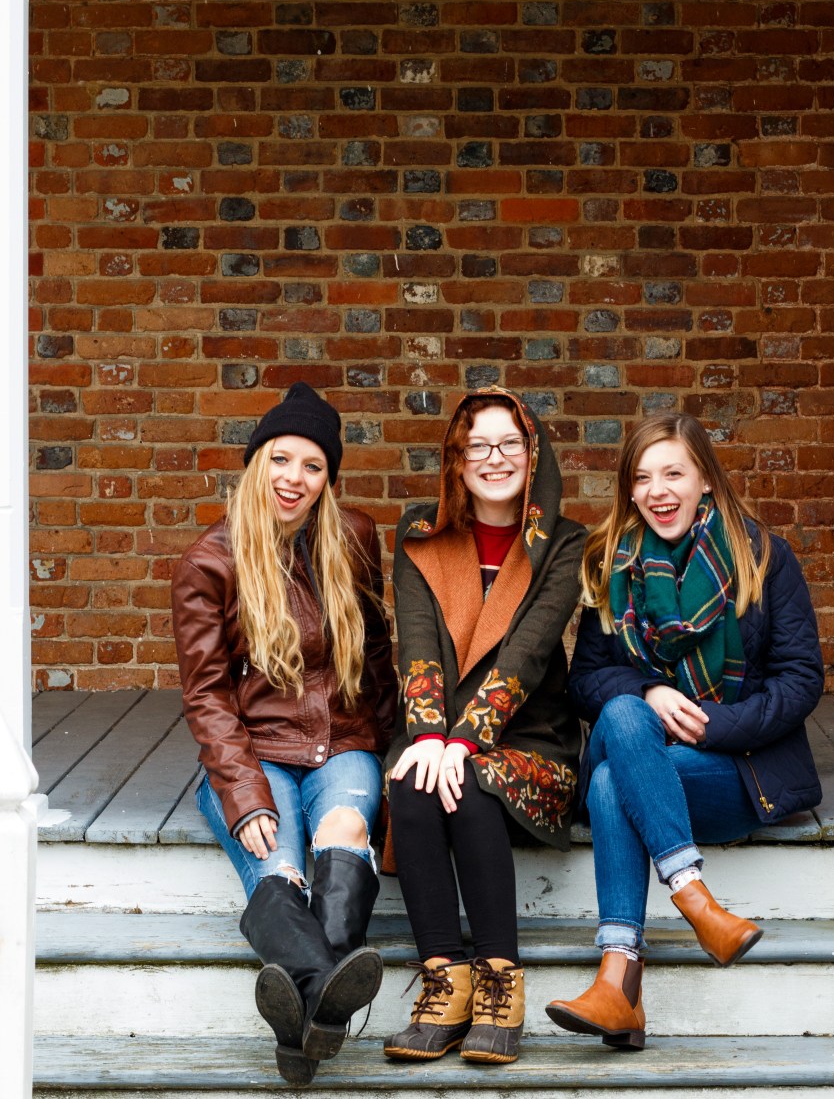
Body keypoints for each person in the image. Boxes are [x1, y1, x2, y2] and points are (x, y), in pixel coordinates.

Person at [545, 411, 824, 1050]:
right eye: (642, 478)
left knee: (611, 782)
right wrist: (651, 690)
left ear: (705, 479)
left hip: (732, 764)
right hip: (645, 744)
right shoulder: (610, 562)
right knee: (624, 714)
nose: (658, 491)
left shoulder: (763, 557)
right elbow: (586, 680)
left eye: (673, 473)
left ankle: (618, 981)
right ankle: (694, 897)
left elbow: (800, 679)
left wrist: (709, 726)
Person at [171, 382, 398, 1085]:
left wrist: (394, 752)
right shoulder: (209, 562)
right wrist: (244, 796)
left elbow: (379, 655)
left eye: (312, 465)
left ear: (328, 477)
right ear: (255, 462)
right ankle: (322, 1003)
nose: (293, 478)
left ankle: (298, 1019)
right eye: (280, 459)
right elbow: (207, 695)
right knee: (278, 865)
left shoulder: (353, 538)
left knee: (344, 831)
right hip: (255, 752)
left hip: (344, 744)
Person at [382, 388, 586, 1066]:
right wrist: (429, 735)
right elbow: (416, 643)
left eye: (509, 444)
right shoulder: (420, 532)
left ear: (533, 453)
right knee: (411, 782)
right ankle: (444, 983)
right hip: (436, 722)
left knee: (465, 782)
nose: (494, 458)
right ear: (456, 459)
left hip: (530, 738)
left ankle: (501, 984)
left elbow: (527, 653)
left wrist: (466, 741)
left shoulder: (564, 543)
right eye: (477, 446)